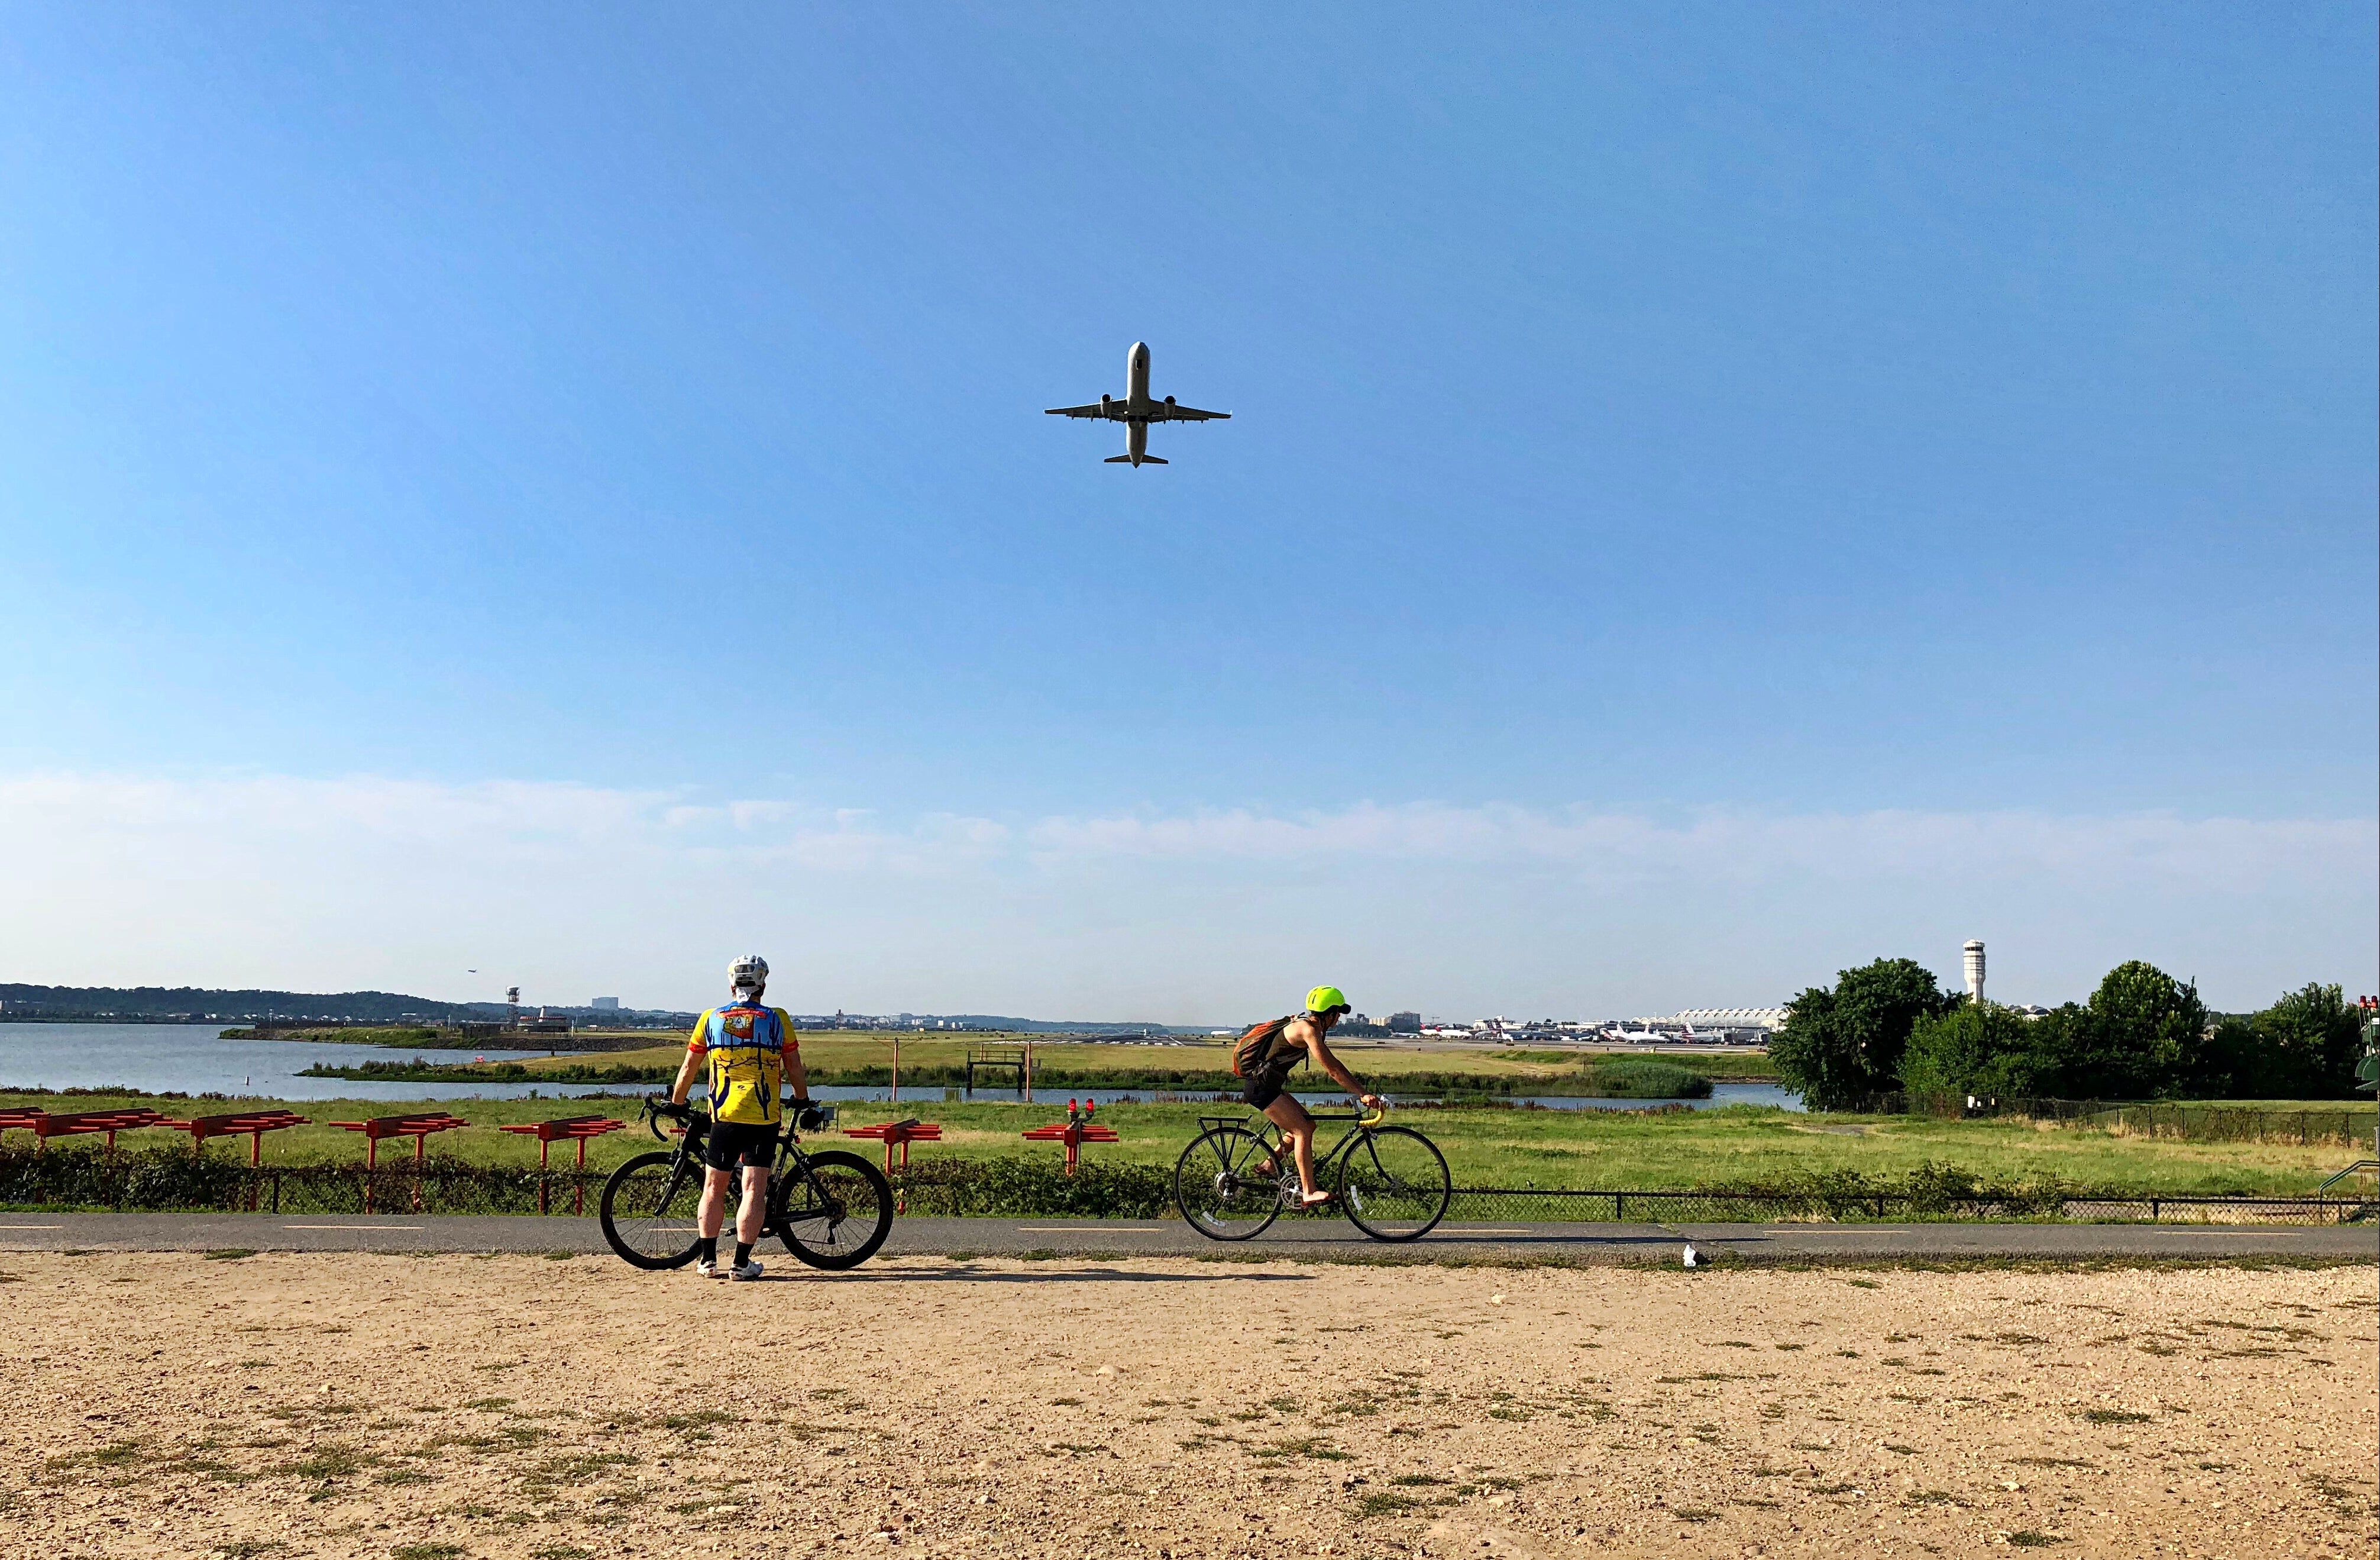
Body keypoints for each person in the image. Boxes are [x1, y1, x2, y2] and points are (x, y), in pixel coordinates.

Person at [670, 954, 808, 1279]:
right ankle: (742, 1263)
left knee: (713, 1188)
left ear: (731, 983)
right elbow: (794, 1066)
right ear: (763, 983)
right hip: (763, 1116)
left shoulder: (711, 1019)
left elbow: (690, 1067)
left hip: (723, 1114)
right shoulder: (778, 1020)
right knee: (753, 1189)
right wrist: (802, 1098)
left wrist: (677, 1102)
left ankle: (707, 1261)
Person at [1237, 985, 1383, 1209]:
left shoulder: (1304, 1023)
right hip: (1261, 1088)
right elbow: (1332, 1068)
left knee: (1309, 1124)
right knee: (1301, 1130)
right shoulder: (1308, 1030)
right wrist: (1362, 1093)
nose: (1339, 1019)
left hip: (1268, 1086)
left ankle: (1269, 1165)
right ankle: (1309, 1192)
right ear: (1331, 1014)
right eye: (1339, 1014)